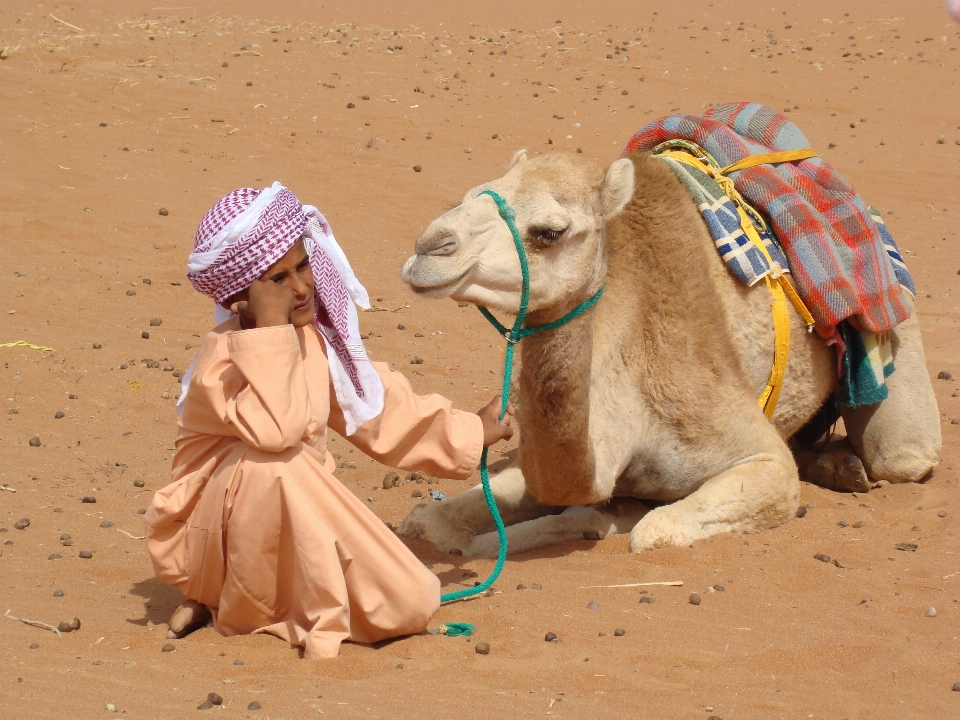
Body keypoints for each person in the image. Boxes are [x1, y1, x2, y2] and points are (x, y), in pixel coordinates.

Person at [145, 183, 513, 659]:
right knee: (272, 463)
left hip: (285, 534)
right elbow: (275, 431)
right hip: (212, 539)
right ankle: (223, 597)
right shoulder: (221, 363)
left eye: (302, 266)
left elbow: (378, 411)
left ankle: (228, 604)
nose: (300, 287)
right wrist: (273, 331)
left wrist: (469, 430)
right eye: (277, 280)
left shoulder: (317, 344)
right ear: (242, 298)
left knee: (410, 596)